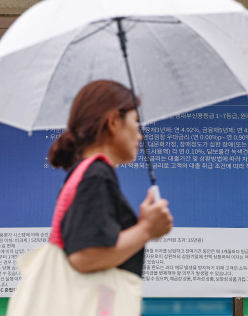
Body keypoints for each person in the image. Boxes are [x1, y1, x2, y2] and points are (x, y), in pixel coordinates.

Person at [47, 80, 174, 277]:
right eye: (135, 122)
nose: (140, 136)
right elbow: (85, 256)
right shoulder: (97, 174)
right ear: (114, 121)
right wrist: (147, 229)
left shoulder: (84, 173)